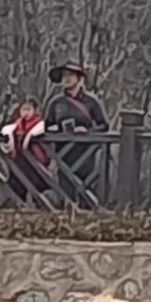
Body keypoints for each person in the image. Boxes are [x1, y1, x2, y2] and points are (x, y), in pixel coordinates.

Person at [43, 61, 108, 202]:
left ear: (79, 79)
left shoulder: (91, 102)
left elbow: (104, 126)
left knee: (86, 192)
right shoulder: (56, 102)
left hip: (85, 153)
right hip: (63, 154)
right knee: (66, 193)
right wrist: (55, 129)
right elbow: (47, 125)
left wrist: (87, 130)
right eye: (64, 75)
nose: (66, 78)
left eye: (70, 75)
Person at [0, 97, 52, 200]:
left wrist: (29, 137)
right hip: (20, 158)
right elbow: (6, 129)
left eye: (28, 109)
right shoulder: (18, 123)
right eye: (23, 109)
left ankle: (40, 203)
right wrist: (9, 137)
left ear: (35, 110)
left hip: (36, 159)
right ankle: (19, 203)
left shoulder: (39, 122)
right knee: (17, 181)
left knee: (37, 182)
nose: (25, 112)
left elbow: (40, 129)